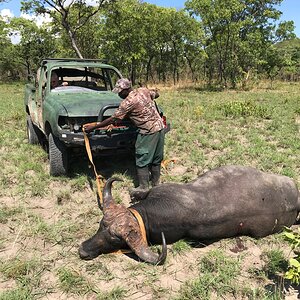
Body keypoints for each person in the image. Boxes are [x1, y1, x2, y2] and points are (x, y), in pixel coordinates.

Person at [83, 78, 165, 200]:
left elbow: (113, 119)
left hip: (148, 131)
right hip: (160, 127)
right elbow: (156, 94)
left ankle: (143, 187)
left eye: (120, 92)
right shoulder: (143, 91)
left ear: (126, 90)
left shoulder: (128, 102)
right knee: (156, 158)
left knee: (142, 157)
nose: (119, 94)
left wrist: (94, 127)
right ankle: (156, 184)